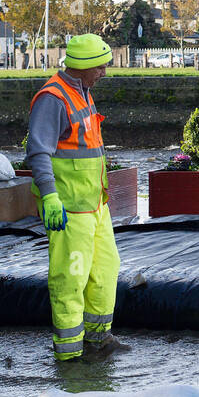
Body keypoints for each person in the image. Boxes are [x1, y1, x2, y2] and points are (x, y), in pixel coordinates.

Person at [26, 33, 127, 361]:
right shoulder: (53, 98)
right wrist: (51, 198)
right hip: (68, 208)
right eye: (100, 67)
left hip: (95, 205)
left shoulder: (81, 92)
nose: (105, 73)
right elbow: (38, 152)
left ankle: (98, 339)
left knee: (105, 270)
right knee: (71, 278)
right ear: (83, 67)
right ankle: (69, 357)